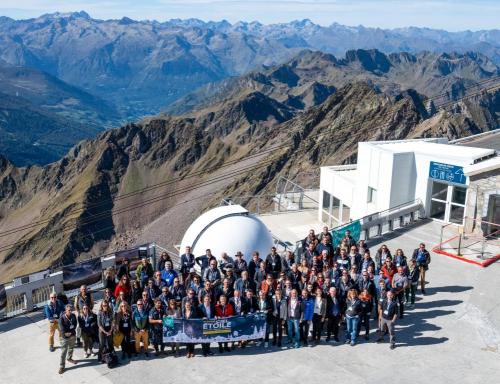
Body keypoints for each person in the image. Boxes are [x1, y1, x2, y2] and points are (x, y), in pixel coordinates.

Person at [58, 304, 78, 374]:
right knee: (63, 352)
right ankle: (62, 366)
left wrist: (70, 331)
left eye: (71, 310)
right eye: (69, 310)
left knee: (71, 348)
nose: (70, 311)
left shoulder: (73, 315)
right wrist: (67, 333)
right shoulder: (61, 318)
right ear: (65, 310)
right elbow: (62, 330)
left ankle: (69, 358)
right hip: (65, 338)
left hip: (72, 335)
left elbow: (75, 324)